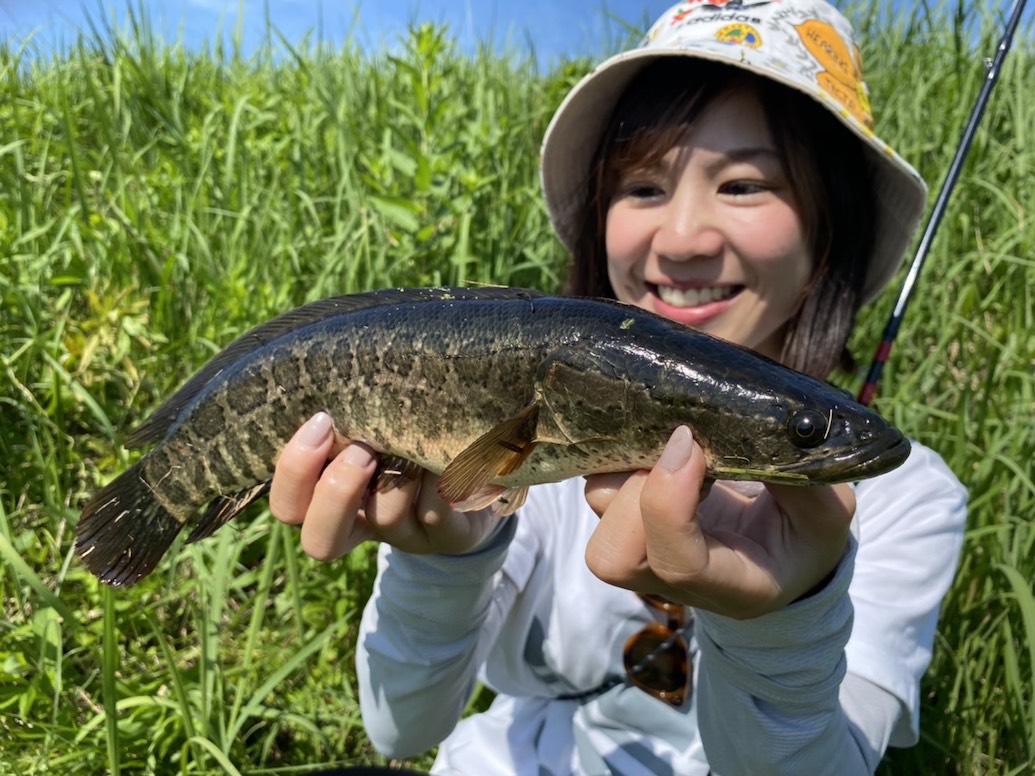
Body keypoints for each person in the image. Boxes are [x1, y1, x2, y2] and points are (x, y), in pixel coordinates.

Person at [269, 1, 967, 773]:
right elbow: (400, 733)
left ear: (829, 230)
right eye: (641, 188)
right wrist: (445, 562)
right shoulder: (527, 441)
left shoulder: (908, 502)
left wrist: (785, 624)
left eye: (742, 185)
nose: (682, 238)